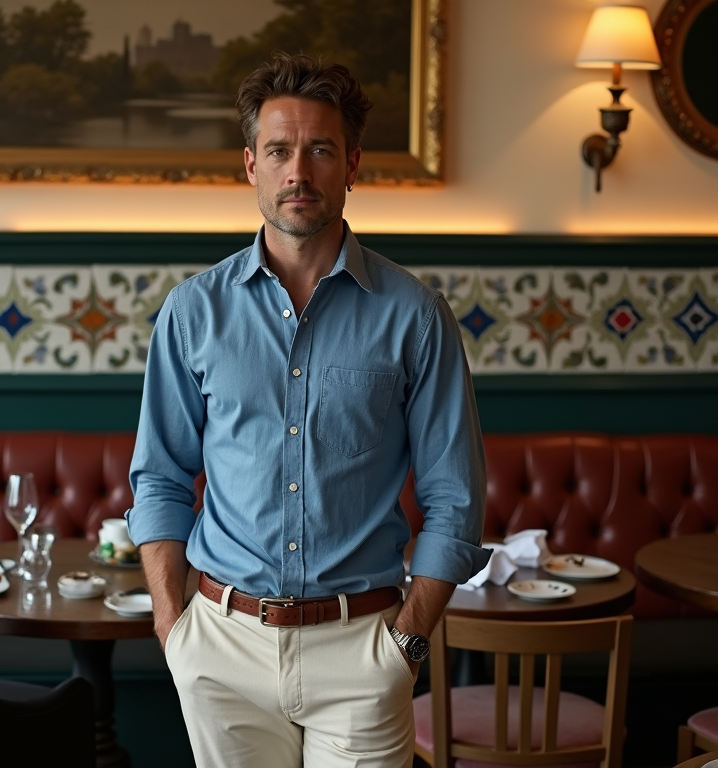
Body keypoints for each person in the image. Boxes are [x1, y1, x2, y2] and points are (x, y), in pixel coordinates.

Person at [127, 52, 489, 768]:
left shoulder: (415, 316)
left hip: (364, 649)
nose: (299, 171)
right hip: (221, 649)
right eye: (280, 151)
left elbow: (455, 495)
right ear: (250, 165)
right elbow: (161, 478)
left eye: (320, 150)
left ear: (352, 162)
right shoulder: (193, 313)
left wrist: (407, 641)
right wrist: (175, 629)